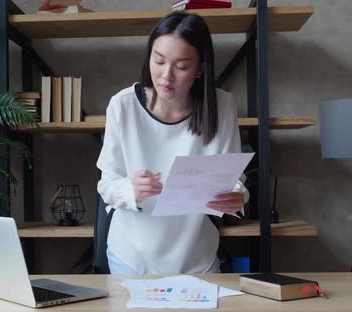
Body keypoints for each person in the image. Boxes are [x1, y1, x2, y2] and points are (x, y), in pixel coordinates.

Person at [96, 11, 249, 274]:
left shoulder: (222, 106)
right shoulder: (123, 105)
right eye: (159, 61)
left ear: (201, 68)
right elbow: (106, 184)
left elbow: (233, 179)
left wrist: (237, 196)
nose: (166, 75)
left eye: (181, 66)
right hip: (131, 256)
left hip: (196, 258)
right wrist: (131, 189)